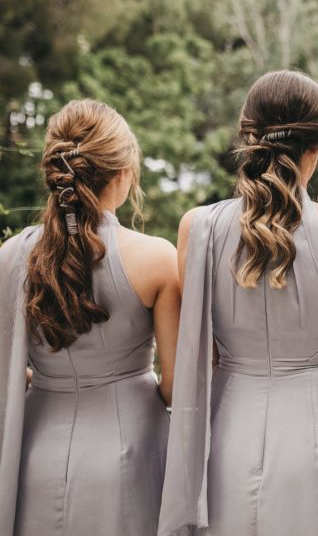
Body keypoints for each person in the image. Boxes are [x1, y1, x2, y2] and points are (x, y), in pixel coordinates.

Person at [158, 70, 318, 535]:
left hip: (229, 426)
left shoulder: (196, 228)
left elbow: (204, 354)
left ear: (247, 139)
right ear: (317, 148)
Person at [0, 99, 180, 535]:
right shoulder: (156, 259)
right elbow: (176, 384)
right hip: (131, 451)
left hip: (35, 453)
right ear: (121, 175)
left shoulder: (10, 256)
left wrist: (48, 383)